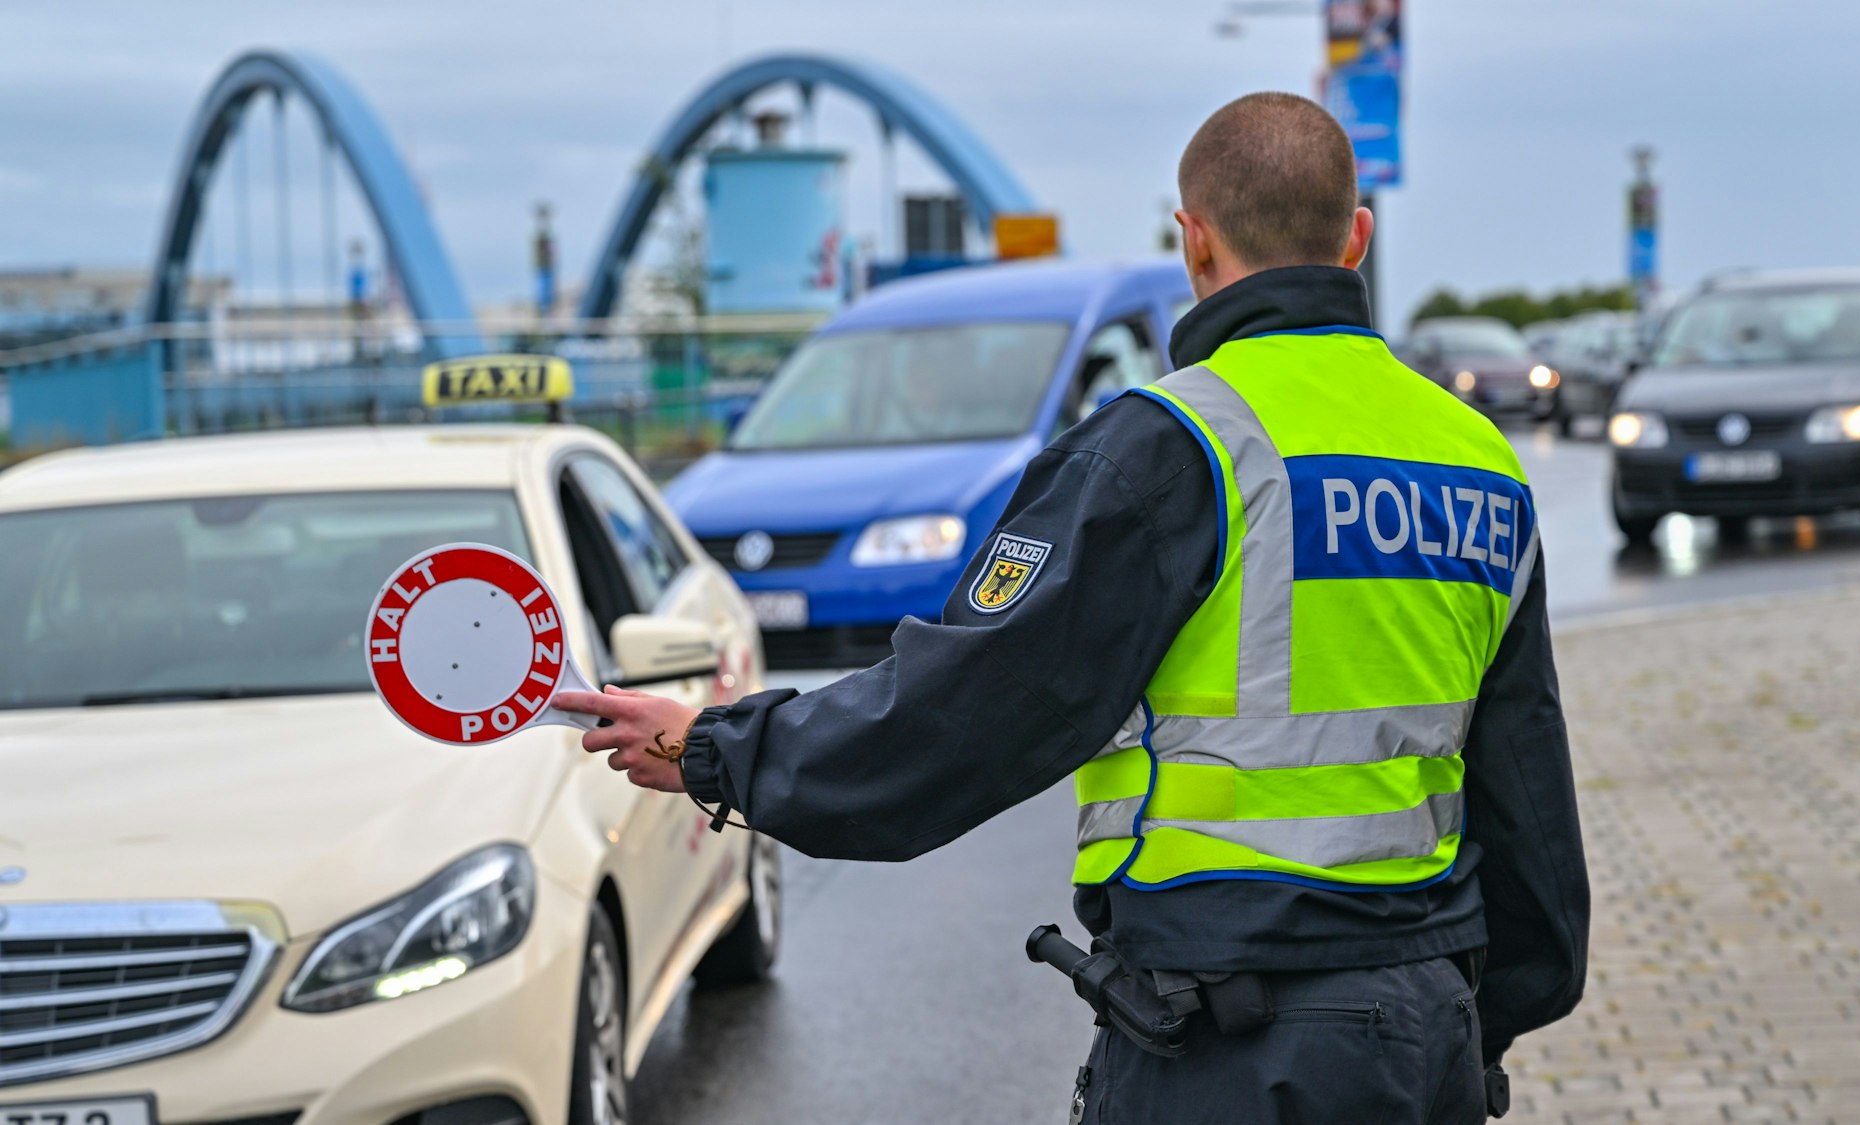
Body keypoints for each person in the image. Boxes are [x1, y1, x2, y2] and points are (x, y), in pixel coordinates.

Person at [556, 91, 1589, 1123]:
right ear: (1353, 239)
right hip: (1425, 1026)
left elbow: (964, 712)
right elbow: (1525, 785)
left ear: (1193, 242)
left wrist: (718, 748)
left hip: (1231, 1042)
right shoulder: (1476, 459)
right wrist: (1473, 1016)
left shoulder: (1172, 446)